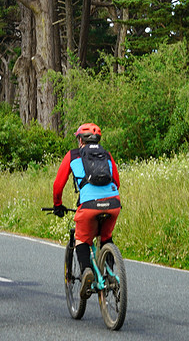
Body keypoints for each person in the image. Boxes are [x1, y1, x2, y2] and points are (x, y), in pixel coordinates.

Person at [52, 122, 120, 298]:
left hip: (89, 205)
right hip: (113, 203)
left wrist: (57, 205)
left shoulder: (73, 155)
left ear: (80, 140)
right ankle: (110, 274)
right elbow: (117, 182)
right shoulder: (106, 155)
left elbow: (58, 185)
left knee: (81, 239)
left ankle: (87, 271)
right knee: (106, 237)